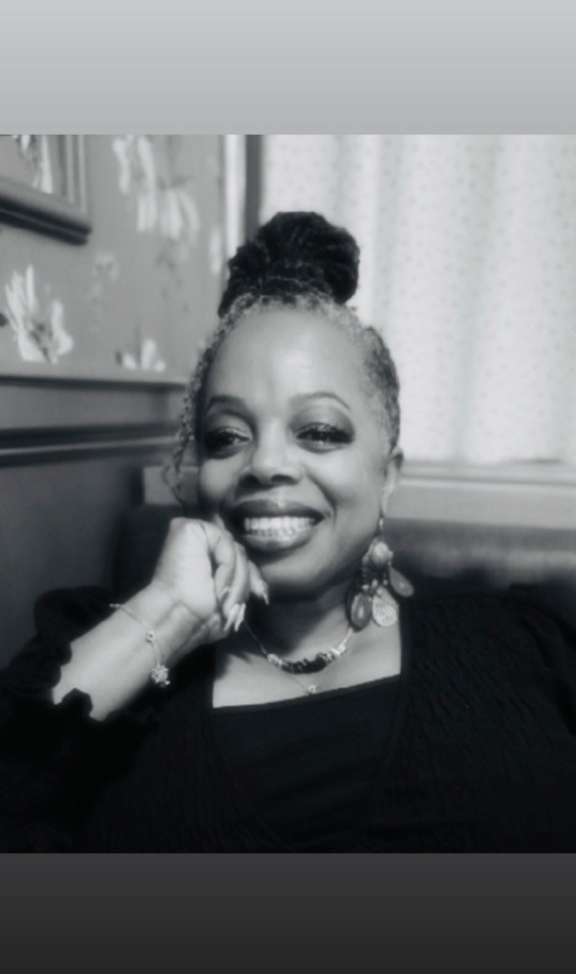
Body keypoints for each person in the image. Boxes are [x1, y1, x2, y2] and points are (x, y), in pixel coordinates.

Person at [1, 211, 576, 852]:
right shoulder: (108, 656)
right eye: (227, 437)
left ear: (387, 476)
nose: (266, 463)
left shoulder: (519, 646)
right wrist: (168, 613)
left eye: (319, 431)